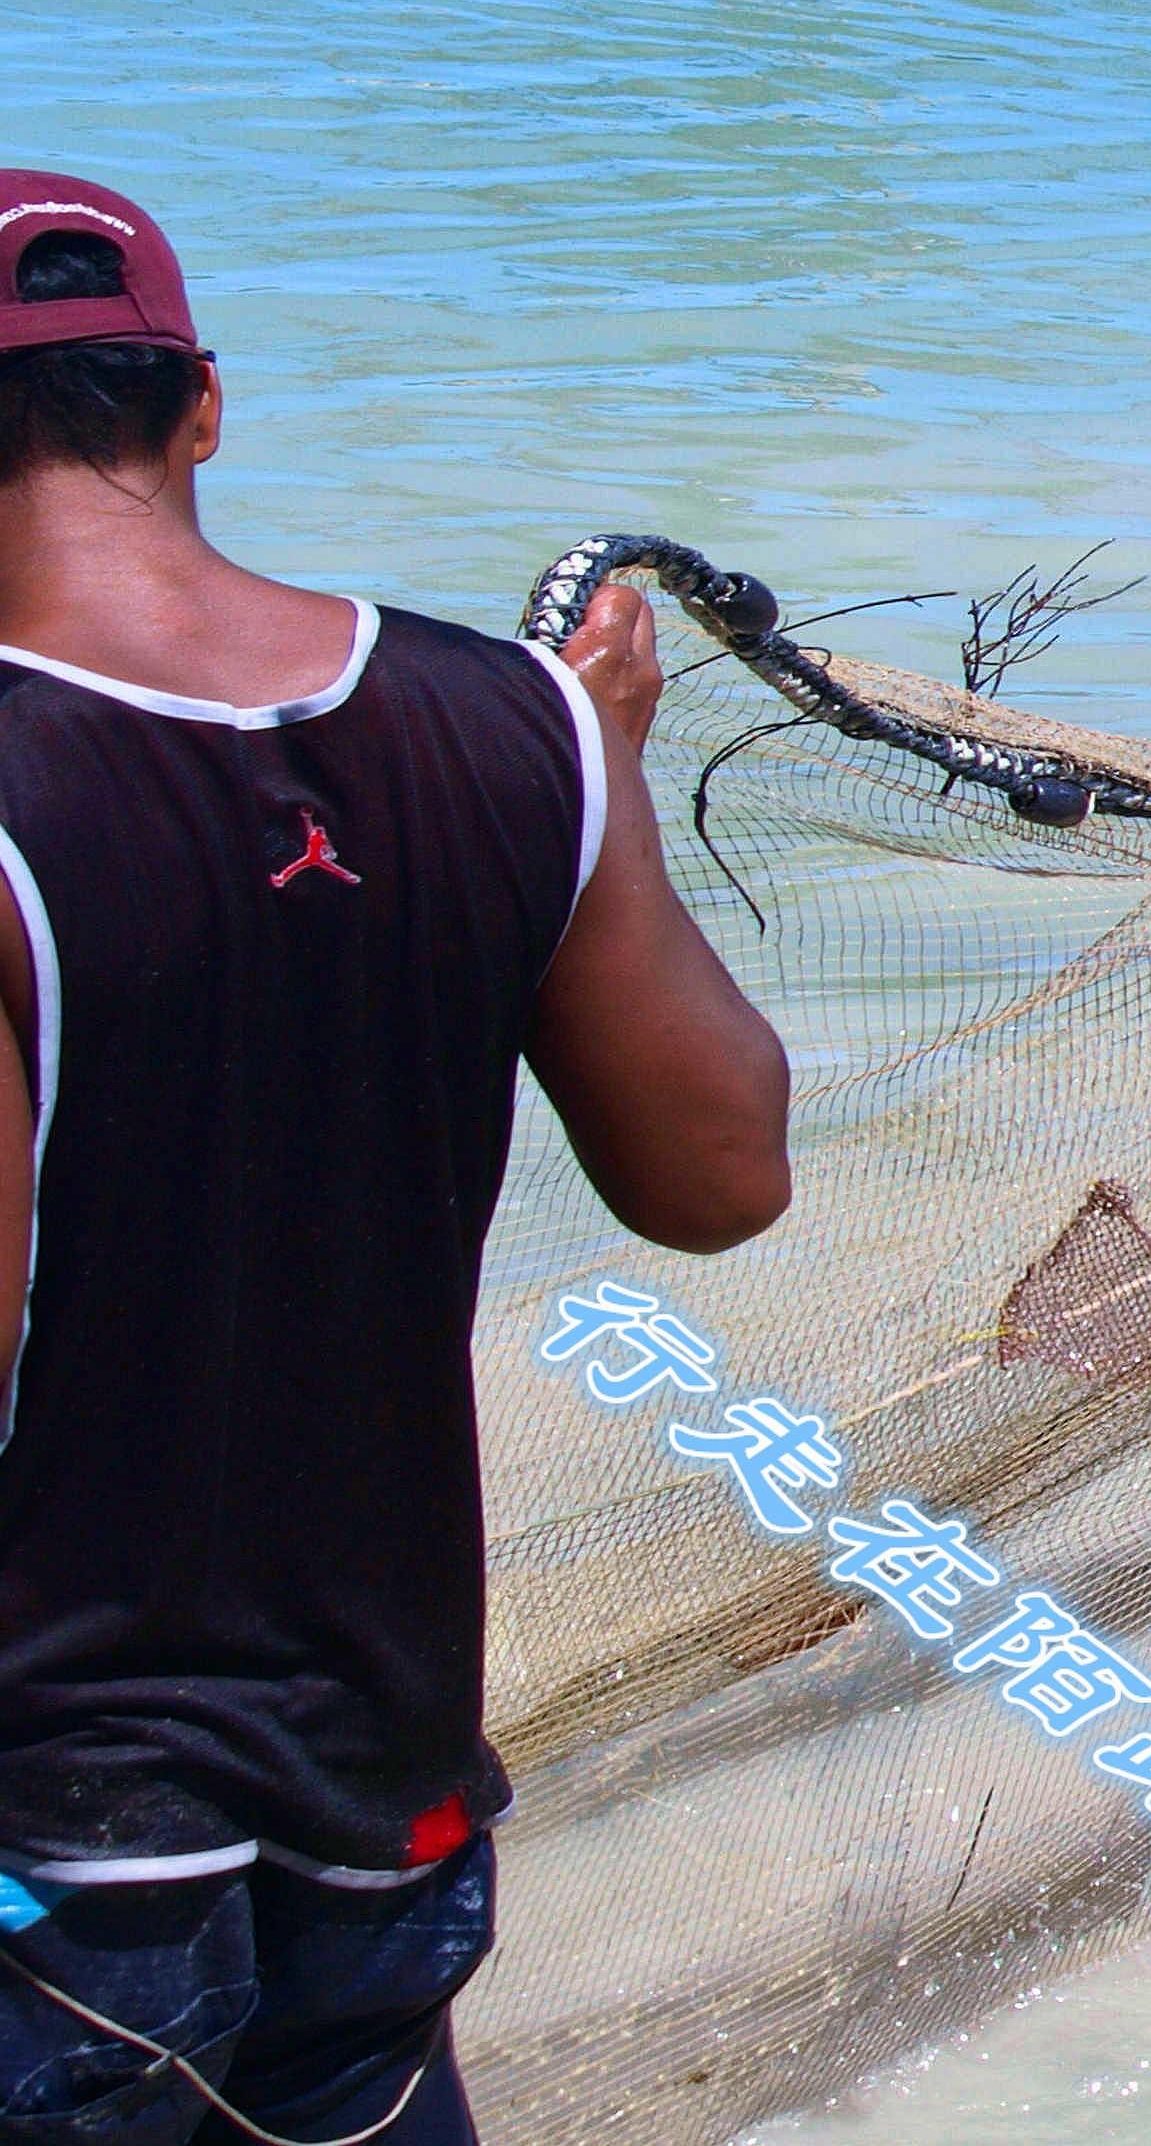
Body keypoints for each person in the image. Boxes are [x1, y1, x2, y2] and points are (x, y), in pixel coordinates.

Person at [0, 175, 794, 2145]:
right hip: (384, 1811)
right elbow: (719, 1173)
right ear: (199, 411)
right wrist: (597, 781)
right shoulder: (509, 725)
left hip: (54, 1852)